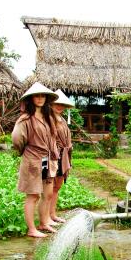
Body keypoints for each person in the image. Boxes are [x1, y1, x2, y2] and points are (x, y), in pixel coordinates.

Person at [12, 82, 59, 238]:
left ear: (46, 98)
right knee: (33, 195)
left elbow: (53, 138)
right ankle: (32, 229)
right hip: (33, 158)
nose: (40, 98)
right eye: (37, 96)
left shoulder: (48, 117)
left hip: (47, 159)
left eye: (42, 96)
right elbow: (17, 139)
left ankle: (44, 222)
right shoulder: (26, 118)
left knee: (47, 192)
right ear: (31, 99)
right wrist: (25, 150)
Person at [49, 89, 75, 224]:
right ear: (51, 104)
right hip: (53, 155)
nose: (59, 106)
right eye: (56, 103)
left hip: (63, 155)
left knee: (57, 185)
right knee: (49, 186)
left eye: (62, 104)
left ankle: (52, 214)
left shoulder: (63, 120)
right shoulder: (48, 119)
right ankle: (46, 217)